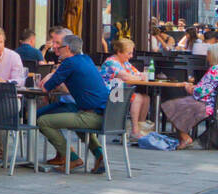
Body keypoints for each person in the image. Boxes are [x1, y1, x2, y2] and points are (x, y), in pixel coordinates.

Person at [36, 34, 110, 173]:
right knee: (77, 122)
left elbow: (46, 87)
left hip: (92, 116)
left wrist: (51, 75)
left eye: (60, 47)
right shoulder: (86, 59)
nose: (57, 49)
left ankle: (72, 158)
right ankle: (100, 155)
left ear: (68, 48)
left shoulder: (69, 63)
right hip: (104, 115)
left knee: (43, 121)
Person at [160, 44, 218, 150]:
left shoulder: (215, 69)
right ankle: (185, 136)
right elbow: (210, 87)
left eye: (208, 54)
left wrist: (189, 88)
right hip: (217, 105)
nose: (207, 57)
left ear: (214, 55)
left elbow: (201, 91)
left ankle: (185, 137)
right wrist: (196, 87)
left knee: (170, 105)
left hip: (206, 105)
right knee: (179, 104)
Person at [100, 37, 151, 141]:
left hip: (122, 93)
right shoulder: (111, 62)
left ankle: (140, 129)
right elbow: (127, 77)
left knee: (146, 98)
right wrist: (138, 77)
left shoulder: (125, 63)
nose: (131, 56)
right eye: (129, 53)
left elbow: (140, 74)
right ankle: (134, 132)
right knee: (137, 98)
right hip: (111, 95)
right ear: (119, 52)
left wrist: (139, 76)